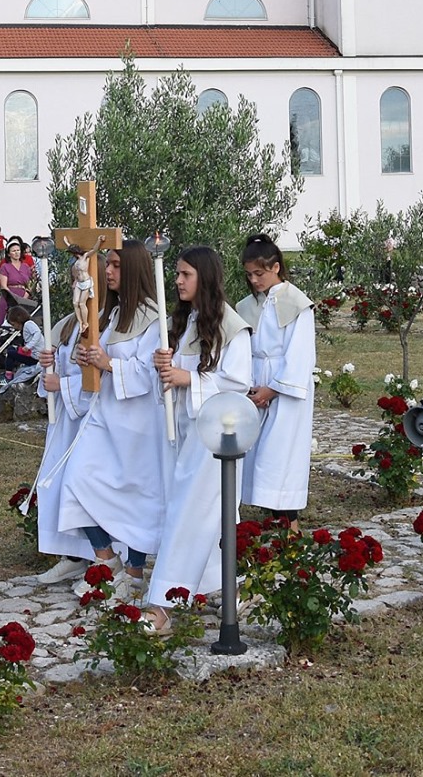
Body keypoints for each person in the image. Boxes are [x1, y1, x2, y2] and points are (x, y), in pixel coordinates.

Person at [145, 247, 255, 629]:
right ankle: (224, 588)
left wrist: (187, 378)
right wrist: (165, 367)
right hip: (185, 435)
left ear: (204, 278)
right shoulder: (185, 321)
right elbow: (171, 375)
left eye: (186, 274)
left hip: (215, 441)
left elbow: (238, 383)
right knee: (196, 515)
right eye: (176, 273)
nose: (177, 281)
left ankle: (161, 606)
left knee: (188, 516)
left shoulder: (231, 326)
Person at [56, 242, 170, 587]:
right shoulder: (114, 313)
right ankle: (107, 558)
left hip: (137, 421)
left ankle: (134, 571)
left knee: (138, 497)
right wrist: (86, 359)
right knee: (76, 481)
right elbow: (100, 357)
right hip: (106, 416)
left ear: (134, 269)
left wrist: (106, 363)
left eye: (117, 266)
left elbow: (151, 372)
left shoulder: (154, 318)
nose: (107, 271)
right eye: (109, 265)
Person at [239, 234, 316, 524]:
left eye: (259, 273)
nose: (254, 280)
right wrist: (247, 385)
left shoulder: (297, 304)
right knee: (256, 454)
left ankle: (289, 522)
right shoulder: (247, 305)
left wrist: (271, 390)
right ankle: (273, 517)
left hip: (283, 388)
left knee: (279, 456)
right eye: (249, 275)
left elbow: (300, 354)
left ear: (275, 267)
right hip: (255, 381)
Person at [32, 271, 99, 585]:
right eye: (74, 282)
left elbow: (101, 378)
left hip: (90, 418)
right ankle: (73, 555)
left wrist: (64, 384)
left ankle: (103, 561)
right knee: (59, 484)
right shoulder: (69, 323)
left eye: (83, 282)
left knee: (87, 488)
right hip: (66, 419)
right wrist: (49, 363)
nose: (77, 287)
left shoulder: (101, 323)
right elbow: (59, 368)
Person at [0, 238, 36, 326]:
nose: (16, 252)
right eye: (14, 251)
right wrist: (12, 298)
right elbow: (3, 286)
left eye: (18, 250)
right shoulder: (5, 267)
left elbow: (30, 283)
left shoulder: (25, 266)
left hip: (24, 296)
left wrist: (26, 294)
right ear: (9, 254)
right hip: (9, 297)